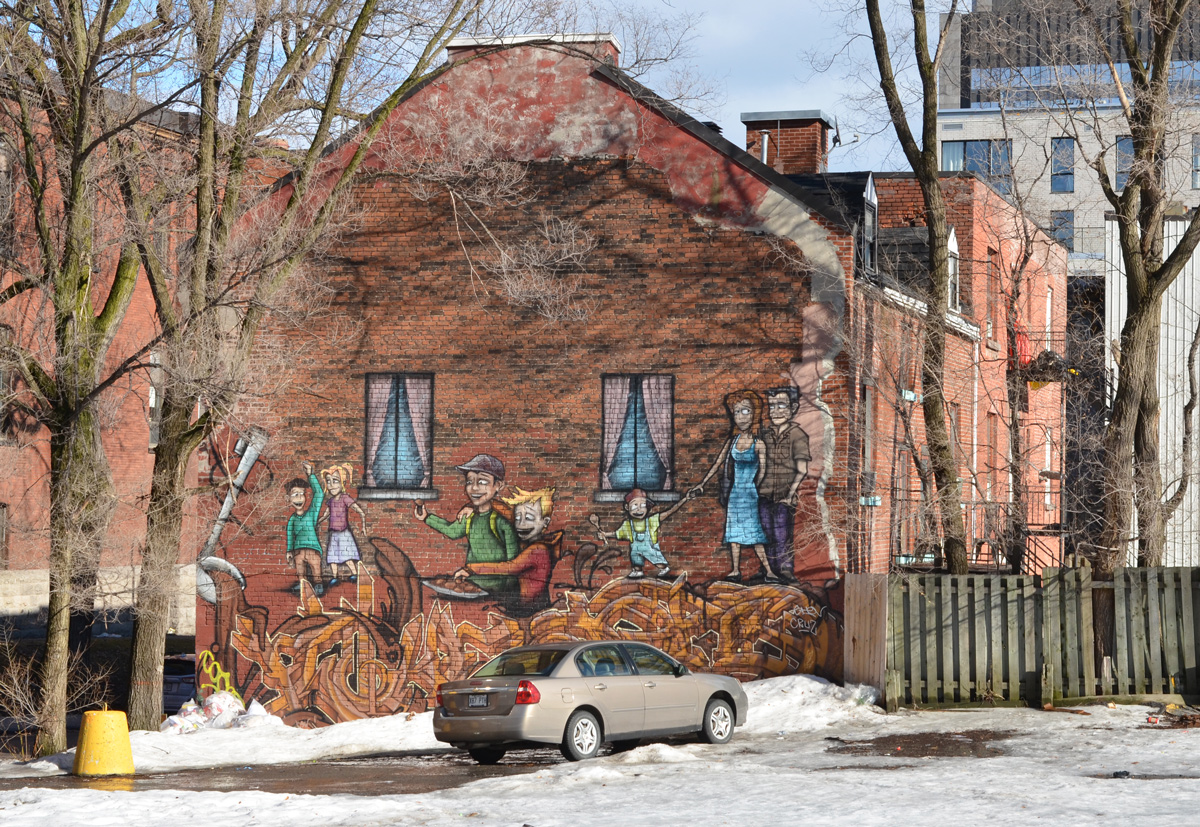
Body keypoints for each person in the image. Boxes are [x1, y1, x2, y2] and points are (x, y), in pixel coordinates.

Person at [690, 390, 778, 582]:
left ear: (754, 413)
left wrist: (756, 486)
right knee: (734, 532)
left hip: (750, 493)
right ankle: (735, 570)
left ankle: (769, 571)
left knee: (754, 531)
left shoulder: (758, 443)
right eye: (737, 412)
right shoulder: (733, 442)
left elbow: (763, 470)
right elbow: (718, 463)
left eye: (745, 411)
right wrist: (702, 483)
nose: (740, 417)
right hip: (735, 494)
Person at [413, 453, 519, 595]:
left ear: (498, 485)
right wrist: (427, 517)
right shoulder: (470, 516)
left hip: (497, 589)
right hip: (470, 585)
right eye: (470, 481)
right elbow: (452, 531)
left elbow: (514, 563)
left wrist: (509, 593)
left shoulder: (501, 521)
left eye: (482, 482)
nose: (474, 488)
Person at [454, 487, 562, 614]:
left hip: (530, 610)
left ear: (545, 522)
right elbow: (506, 512)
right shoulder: (527, 540)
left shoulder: (538, 549)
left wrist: (470, 569)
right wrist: (475, 506)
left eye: (529, 517)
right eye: (517, 518)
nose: (521, 524)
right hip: (522, 605)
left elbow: (510, 567)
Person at [758, 386, 811, 582]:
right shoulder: (765, 434)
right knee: (765, 533)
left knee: (782, 534)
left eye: (781, 405)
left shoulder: (797, 435)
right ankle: (768, 570)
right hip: (764, 493)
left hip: (784, 495)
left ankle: (785, 569)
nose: (776, 411)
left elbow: (802, 469)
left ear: (793, 408)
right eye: (772, 406)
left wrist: (790, 494)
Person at [593, 488, 690, 579]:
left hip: (650, 547)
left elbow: (669, 512)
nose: (639, 509)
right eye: (635, 505)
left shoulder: (651, 521)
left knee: (653, 556)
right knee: (634, 554)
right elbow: (617, 534)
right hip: (636, 548)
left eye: (643, 506)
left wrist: (685, 499)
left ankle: (663, 568)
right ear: (627, 507)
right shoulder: (627, 524)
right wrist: (605, 534)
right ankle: (638, 570)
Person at [319, 463, 367, 586]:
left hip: (344, 532)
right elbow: (325, 515)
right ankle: (334, 577)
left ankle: (354, 574)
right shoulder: (330, 501)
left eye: (335, 481)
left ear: (343, 483)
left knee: (347, 554)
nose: (331, 485)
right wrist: (316, 522)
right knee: (332, 555)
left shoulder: (345, 498)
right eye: (328, 481)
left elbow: (359, 510)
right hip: (334, 533)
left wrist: (363, 525)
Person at [284, 462, 325, 596]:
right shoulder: (292, 519)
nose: (299, 498)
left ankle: (318, 584)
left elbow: (319, 494)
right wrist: (289, 550)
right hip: (298, 550)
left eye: (301, 494)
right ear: (288, 498)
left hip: (313, 548)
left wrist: (311, 474)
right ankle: (302, 583)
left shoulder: (311, 514)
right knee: (299, 564)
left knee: (315, 566)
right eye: (295, 495)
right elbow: (290, 535)